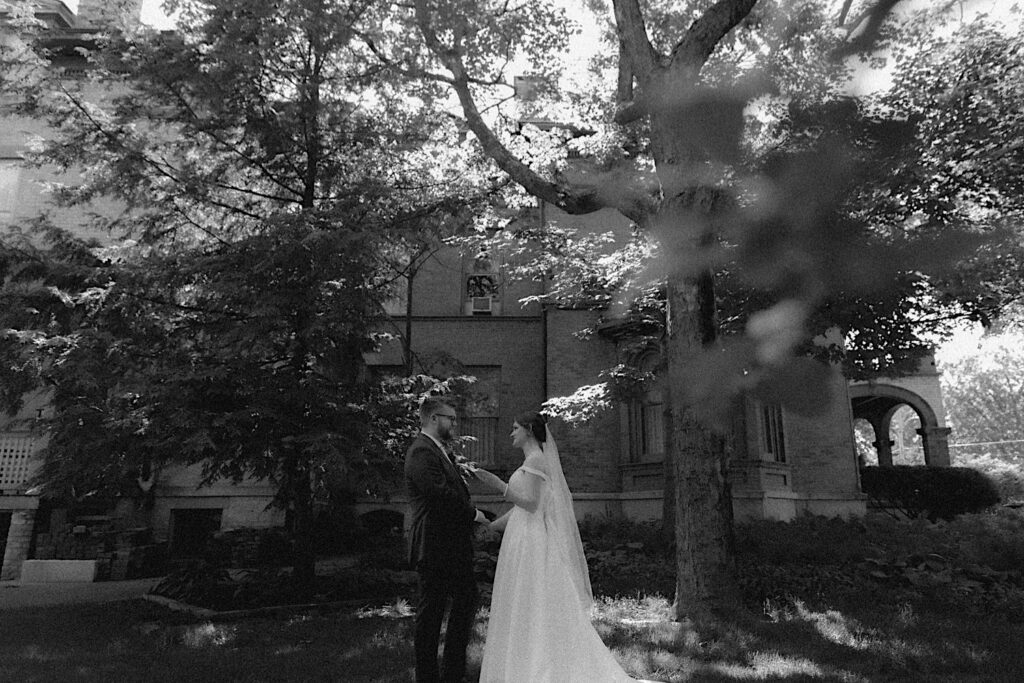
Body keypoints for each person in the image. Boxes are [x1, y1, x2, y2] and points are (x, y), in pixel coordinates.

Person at [472, 411, 644, 683]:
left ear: (529, 430)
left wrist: (498, 485)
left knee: (532, 600)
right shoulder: (532, 461)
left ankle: (536, 668)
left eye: (515, 427)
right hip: (521, 536)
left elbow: (528, 502)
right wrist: (490, 525)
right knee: (523, 600)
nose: (511, 433)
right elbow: (524, 510)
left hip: (531, 541)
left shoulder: (537, 459)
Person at [405, 396, 487, 683]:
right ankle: (427, 677)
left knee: (466, 601)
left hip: (453, 546)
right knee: (431, 615)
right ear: (432, 418)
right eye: (450, 418)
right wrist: (475, 514)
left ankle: (453, 672)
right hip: (434, 546)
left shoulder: (438, 450)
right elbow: (439, 495)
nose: (454, 423)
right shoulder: (421, 451)